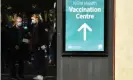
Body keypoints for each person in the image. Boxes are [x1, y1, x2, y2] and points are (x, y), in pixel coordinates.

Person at [30, 14, 49, 80]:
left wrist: (43, 44)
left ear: (36, 19)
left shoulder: (40, 25)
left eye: (32, 19)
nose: (32, 20)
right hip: (37, 46)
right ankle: (40, 74)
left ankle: (40, 75)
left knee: (40, 61)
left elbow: (44, 36)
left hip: (40, 46)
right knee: (37, 61)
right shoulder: (35, 26)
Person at [8, 15, 26, 80]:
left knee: (21, 62)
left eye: (21, 21)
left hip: (21, 48)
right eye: (19, 21)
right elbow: (10, 39)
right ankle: (13, 75)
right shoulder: (12, 30)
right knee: (13, 63)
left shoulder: (23, 30)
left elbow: (25, 38)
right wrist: (14, 45)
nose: (20, 23)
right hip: (14, 48)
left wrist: (25, 42)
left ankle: (20, 74)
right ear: (16, 22)